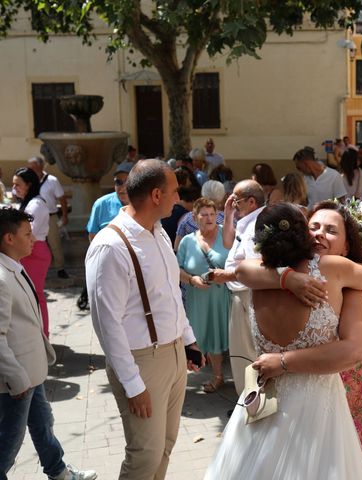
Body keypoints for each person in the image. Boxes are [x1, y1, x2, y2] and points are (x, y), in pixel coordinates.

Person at [204, 203, 362, 479]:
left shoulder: (259, 274)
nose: (319, 235)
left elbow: (242, 271)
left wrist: (285, 277)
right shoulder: (331, 269)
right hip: (315, 407)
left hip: (267, 398)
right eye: (313, 227)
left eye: (330, 230)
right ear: (302, 234)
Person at [85, 160, 205, 479]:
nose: (178, 198)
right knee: (144, 457)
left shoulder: (159, 233)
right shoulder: (110, 246)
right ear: (156, 195)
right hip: (141, 362)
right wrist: (133, 384)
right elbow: (106, 324)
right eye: (174, 191)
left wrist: (189, 340)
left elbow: (169, 296)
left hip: (174, 353)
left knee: (164, 446)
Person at [0, 208, 97, 480]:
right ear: (9, 238)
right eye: (27, 234)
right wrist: (17, 378)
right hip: (16, 379)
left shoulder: (14, 266)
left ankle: (59, 472)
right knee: (9, 442)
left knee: (43, 425)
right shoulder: (2, 278)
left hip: (32, 371)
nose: (34, 239)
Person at [213, 180, 265, 395]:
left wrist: (227, 275)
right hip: (241, 294)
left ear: (251, 202)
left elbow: (256, 267)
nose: (233, 204)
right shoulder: (247, 220)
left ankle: (250, 403)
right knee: (242, 353)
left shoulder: (256, 225)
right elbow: (227, 243)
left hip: (247, 295)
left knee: (246, 354)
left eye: (236, 201)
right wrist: (228, 215)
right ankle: (249, 402)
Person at [177, 198, 230, 393]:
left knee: (219, 335)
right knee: (197, 336)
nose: (209, 219)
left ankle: (218, 377)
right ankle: (182, 379)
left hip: (223, 295)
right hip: (197, 296)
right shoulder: (187, 241)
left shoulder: (227, 233)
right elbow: (177, 269)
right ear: (194, 216)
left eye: (212, 214)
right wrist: (192, 280)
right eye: (204, 214)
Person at [77, 162, 134, 311]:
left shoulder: (144, 203)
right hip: (109, 271)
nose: (122, 187)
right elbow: (93, 235)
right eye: (118, 182)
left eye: (127, 182)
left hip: (136, 269)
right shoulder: (101, 204)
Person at [12, 167, 51, 337]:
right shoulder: (29, 202)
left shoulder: (36, 204)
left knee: (36, 295)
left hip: (35, 253)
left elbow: (29, 234)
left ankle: (43, 334)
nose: (14, 188)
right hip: (30, 252)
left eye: (17, 185)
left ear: (29, 185)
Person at [26, 156, 69, 279]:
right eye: (29, 168)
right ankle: (35, 268)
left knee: (54, 243)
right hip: (32, 218)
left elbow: (62, 198)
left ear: (41, 166)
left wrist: (65, 216)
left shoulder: (52, 180)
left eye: (33, 167)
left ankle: (60, 268)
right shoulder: (28, 181)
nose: (31, 170)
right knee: (33, 243)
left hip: (51, 216)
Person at [174, 180, 226, 251]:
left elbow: (177, 248)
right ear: (222, 197)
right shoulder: (228, 219)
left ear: (202, 193)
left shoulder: (187, 218)